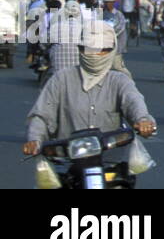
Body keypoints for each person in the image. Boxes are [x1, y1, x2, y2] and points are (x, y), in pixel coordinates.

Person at [23, 20, 156, 162]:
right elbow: (42, 115)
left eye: (102, 50)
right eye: (89, 49)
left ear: (112, 50)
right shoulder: (61, 79)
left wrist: (143, 121)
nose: (95, 55)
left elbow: (133, 101)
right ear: (80, 49)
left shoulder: (119, 80)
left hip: (109, 161)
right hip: (68, 160)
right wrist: (35, 139)